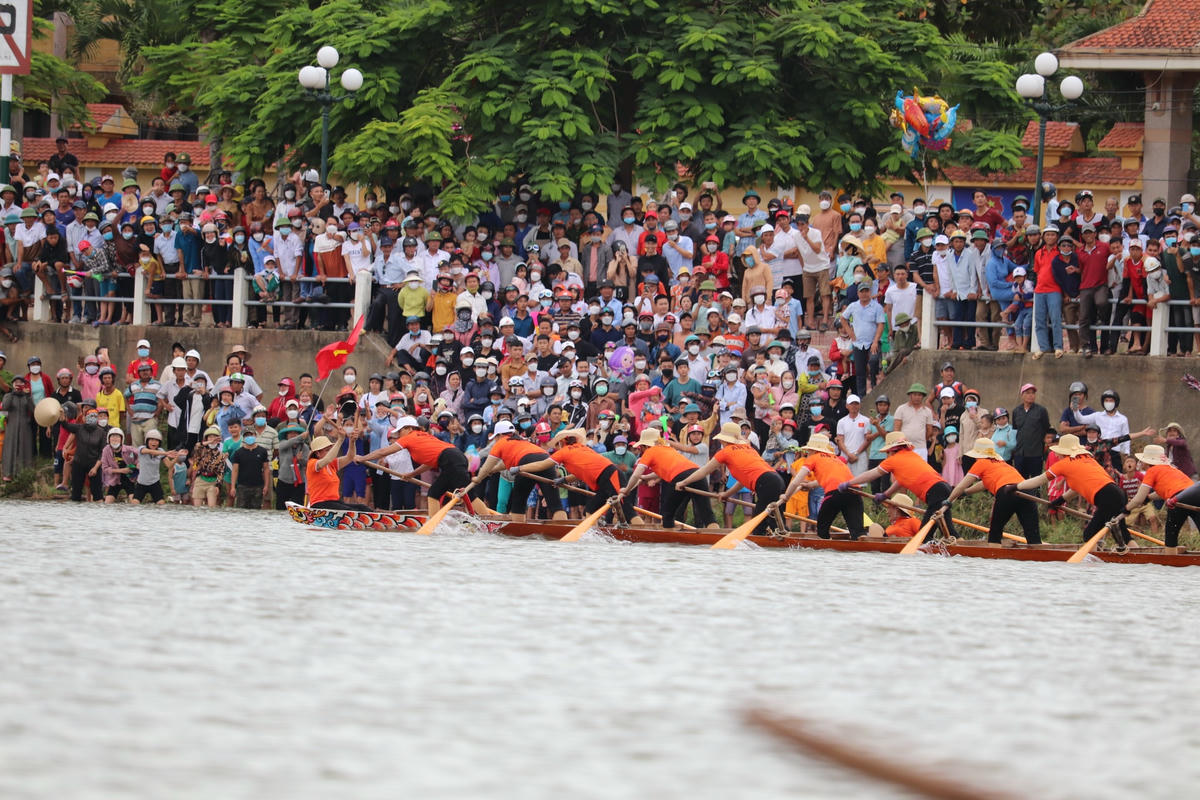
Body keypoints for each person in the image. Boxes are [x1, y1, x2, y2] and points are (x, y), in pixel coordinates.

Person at [1016, 433, 1130, 548]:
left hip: (1107, 497)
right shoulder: (1087, 458)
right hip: (1118, 493)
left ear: (1064, 452)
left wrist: (1017, 486)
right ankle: (1126, 555)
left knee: (1089, 535)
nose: (1056, 454)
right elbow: (1077, 487)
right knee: (1123, 534)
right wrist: (1060, 500)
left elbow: (1039, 480)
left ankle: (1096, 562)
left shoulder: (1063, 464)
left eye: (1058, 451)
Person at [675, 421, 785, 535]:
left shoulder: (725, 453)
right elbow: (743, 480)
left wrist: (684, 482)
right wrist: (727, 494)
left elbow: (704, 471)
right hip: (777, 480)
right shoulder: (747, 447)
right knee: (775, 524)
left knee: (758, 528)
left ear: (724, 439)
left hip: (766, 483)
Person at [845, 431, 959, 540]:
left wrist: (850, 483)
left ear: (891, 451)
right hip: (944, 488)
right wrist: (886, 494)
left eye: (887, 453)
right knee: (950, 531)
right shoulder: (911, 455)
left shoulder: (893, 460)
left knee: (924, 535)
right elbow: (901, 481)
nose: (887, 455)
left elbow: (871, 474)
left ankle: (926, 553)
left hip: (935, 492)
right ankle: (961, 545)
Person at [359, 415, 473, 516]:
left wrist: (362, 458)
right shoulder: (422, 435)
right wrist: (412, 474)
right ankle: (435, 522)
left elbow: (382, 452)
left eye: (400, 431)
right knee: (434, 493)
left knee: (468, 494)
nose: (399, 435)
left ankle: (486, 519)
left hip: (451, 460)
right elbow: (429, 463)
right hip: (455, 457)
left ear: (409, 428)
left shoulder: (409, 437)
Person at [519, 428, 635, 522]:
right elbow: (581, 472)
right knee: (589, 510)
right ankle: (593, 536)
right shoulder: (582, 448)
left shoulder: (564, 452)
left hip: (610, 475)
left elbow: (542, 465)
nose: (556, 447)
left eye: (558, 444)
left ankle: (642, 533)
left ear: (562, 442)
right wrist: (564, 479)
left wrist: (520, 468)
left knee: (627, 510)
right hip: (603, 480)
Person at [943, 438, 1041, 544]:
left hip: (1007, 492)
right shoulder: (1002, 463)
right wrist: (966, 493)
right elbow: (984, 484)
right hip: (1026, 491)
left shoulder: (981, 463)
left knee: (995, 532)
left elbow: (961, 486)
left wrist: (948, 500)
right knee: (1032, 534)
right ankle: (1039, 553)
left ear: (978, 455)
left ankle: (993, 553)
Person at [620, 428, 716, 529]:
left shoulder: (649, 451)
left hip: (680, 477)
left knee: (667, 515)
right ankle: (716, 535)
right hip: (698, 475)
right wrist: (645, 477)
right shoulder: (668, 449)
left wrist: (626, 490)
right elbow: (663, 472)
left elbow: (635, 474)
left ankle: (668, 541)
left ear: (645, 446)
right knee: (707, 514)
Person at [466, 420, 560, 521]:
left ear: (500, 435)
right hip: (546, 459)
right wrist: (494, 470)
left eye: (496, 437)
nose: (495, 440)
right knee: (555, 504)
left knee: (518, 504)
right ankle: (564, 529)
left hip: (525, 462)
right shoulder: (521, 441)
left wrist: (478, 478)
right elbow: (504, 463)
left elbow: (486, 466)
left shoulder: (500, 443)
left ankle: (518, 532)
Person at [782, 433, 865, 539]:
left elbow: (795, 481)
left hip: (835, 493)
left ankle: (824, 545)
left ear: (812, 450)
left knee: (822, 530)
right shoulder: (835, 458)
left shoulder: (812, 459)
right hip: (855, 491)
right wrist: (811, 485)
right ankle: (861, 541)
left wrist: (786, 496)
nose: (807, 453)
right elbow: (831, 478)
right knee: (857, 531)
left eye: (808, 451)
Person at [1124, 444, 1200, 549]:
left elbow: (1138, 499)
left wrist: (1125, 509)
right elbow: (1164, 491)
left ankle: (1171, 559)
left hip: (1177, 499)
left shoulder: (1152, 471)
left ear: (1147, 461)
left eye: (1142, 460)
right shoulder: (1170, 468)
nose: (1140, 462)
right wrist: (1149, 498)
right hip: (1195, 495)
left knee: (1171, 536)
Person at [306, 430, 373, 511]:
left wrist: (352, 442)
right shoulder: (312, 463)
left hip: (334, 502)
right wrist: (340, 440)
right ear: (317, 453)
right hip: (319, 504)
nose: (331, 452)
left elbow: (350, 457)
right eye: (327, 450)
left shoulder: (331, 464)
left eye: (330, 449)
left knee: (363, 507)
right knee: (351, 511)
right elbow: (327, 459)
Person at [133, 430, 186, 505]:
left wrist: (177, 457)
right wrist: (166, 453)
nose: (154, 442)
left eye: (156, 441)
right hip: (141, 483)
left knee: (161, 505)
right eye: (151, 440)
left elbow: (169, 465)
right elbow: (150, 452)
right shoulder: (142, 448)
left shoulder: (161, 451)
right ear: (147, 441)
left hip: (155, 483)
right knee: (134, 504)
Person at [230, 426, 272, 509]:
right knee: (241, 510)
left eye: (251, 435)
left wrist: (266, 485)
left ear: (255, 435)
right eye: (246, 435)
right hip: (242, 486)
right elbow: (235, 470)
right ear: (243, 437)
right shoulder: (238, 452)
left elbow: (266, 469)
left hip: (258, 486)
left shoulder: (262, 451)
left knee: (256, 511)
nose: (249, 437)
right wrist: (233, 487)